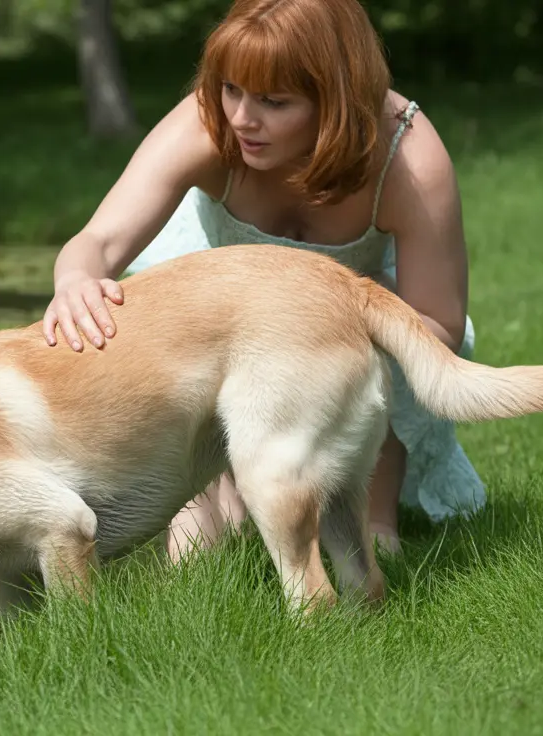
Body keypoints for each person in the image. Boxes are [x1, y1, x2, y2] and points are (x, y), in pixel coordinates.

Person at [41, 0, 483, 561]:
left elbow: (437, 325)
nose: (243, 119)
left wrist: (312, 347)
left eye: (274, 102)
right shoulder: (209, 124)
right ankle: (211, 523)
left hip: (346, 320)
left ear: (338, 100)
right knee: (200, 550)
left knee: (373, 545)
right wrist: (77, 278)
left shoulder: (408, 158)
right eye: (231, 89)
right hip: (214, 304)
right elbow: (98, 242)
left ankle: (374, 518)